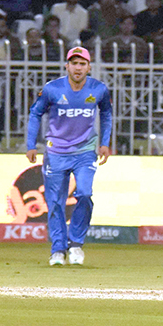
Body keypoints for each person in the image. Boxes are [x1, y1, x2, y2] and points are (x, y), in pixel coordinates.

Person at [26, 46, 113, 266]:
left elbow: (107, 115)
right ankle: (57, 250)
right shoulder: (52, 89)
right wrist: (31, 144)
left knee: (84, 194)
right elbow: (35, 113)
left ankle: (75, 245)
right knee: (55, 202)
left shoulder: (99, 89)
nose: (78, 68)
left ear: (89, 67)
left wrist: (104, 143)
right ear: (67, 66)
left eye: (82, 64)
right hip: (55, 152)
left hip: (85, 152)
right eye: (74, 63)